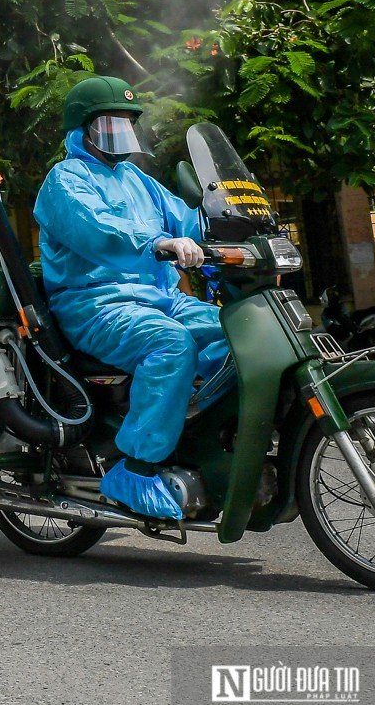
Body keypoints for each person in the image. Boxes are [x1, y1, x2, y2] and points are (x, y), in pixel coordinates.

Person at [33, 75, 232, 520]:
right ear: (82, 129)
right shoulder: (65, 181)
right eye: (109, 124)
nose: (120, 135)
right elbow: (100, 231)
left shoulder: (137, 179)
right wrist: (159, 244)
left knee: (236, 332)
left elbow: (187, 222)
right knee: (170, 346)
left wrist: (232, 226)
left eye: (126, 124)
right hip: (97, 304)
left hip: (160, 296)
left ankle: (200, 440)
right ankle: (137, 468)